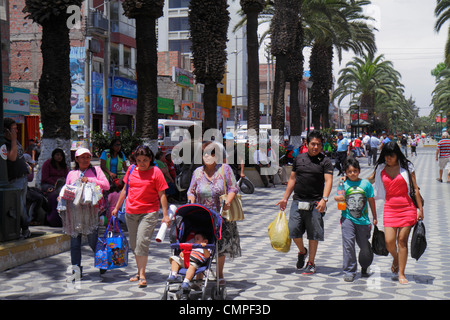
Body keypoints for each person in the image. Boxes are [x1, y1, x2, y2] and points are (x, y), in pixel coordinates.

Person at [111, 146, 170, 288]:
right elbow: (124, 190)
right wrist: (116, 208)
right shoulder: (131, 170)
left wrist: (166, 215)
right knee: (133, 244)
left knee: (142, 242)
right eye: (139, 160)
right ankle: (138, 272)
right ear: (135, 160)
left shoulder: (156, 172)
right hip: (131, 212)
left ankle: (142, 275)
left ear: (150, 159)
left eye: (145, 160)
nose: (142, 163)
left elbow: (162, 194)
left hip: (149, 212)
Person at [276, 130, 333, 275]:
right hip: (298, 201)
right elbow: (293, 179)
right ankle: (302, 251)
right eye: (313, 144)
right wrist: (285, 198)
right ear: (307, 144)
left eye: (318, 145)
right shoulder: (299, 159)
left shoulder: (325, 161)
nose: (315, 147)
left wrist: (324, 199)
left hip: (315, 203)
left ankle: (311, 262)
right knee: (294, 230)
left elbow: (328, 181)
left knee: (313, 234)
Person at [369, 141, 424, 285]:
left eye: (391, 156)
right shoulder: (381, 167)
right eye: (386, 156)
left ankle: (401, 273)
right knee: (389, 242)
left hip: (407, 208)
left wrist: (420, 210)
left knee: (402, 241)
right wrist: (351, 180)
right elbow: (369, 180)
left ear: (397, 155)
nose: (388, 159)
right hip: (390, 208)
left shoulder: (407, 166)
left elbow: (416, 188)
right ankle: (395, 258)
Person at [187, 142, 241, 285]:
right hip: (202, 216)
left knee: (220, 246)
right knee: (201, 244)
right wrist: (191, 200)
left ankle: (220, 273)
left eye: (211, 153)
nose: (208, 156)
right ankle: (199, 274)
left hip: (221, 215)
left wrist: (228, 201)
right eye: (205, 153)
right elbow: (191, 191)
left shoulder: (225, 169)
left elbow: (233, 188)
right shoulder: (197, 172)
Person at [62, 147, 110, 277]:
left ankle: (102, 262)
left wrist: (90, 180)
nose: (86, 159)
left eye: (88, 157)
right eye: (82, 157)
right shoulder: (72, 174)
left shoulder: (97, 170)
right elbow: (67, 188)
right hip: (75, 214)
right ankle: (76, 270)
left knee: (93, 241)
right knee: (75, 244)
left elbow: (106, 185)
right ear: (76, 159)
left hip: (91, 214)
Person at [334, 158, 377, 282]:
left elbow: (371, 200)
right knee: (348, 245)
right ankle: (349, 270)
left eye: (355, 171)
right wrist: (337, 198)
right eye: (349, 172)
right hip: (347, 218)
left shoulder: (366, 184)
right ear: (346, 173)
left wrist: (375, 217)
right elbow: (339, 196)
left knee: (364, 246)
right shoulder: (343, 183)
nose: (352, 174)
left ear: (359, 171)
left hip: (363, 221)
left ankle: (365, 265)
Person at [3, 118, 31, 238]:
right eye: (14, 129)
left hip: (23, 177)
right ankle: (24, 228)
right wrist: (13, 139)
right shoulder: (5, 143)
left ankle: (23, 229)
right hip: (14, 180)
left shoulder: (15, 141)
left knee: (22, 205)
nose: (17, 132)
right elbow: (12, 157)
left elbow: (19, 155)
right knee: (19, 207)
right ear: (7, 131)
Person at [41, 148, 69, 227]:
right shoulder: (47, 163)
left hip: (61, 185)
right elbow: (45, 178)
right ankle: (52, 219)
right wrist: (55, 183)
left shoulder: (64, 165)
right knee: (54, 196)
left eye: (61, 155)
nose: (59, 157)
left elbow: (67, 177)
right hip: (48, 184)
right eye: (57, 155)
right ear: (53, 156)